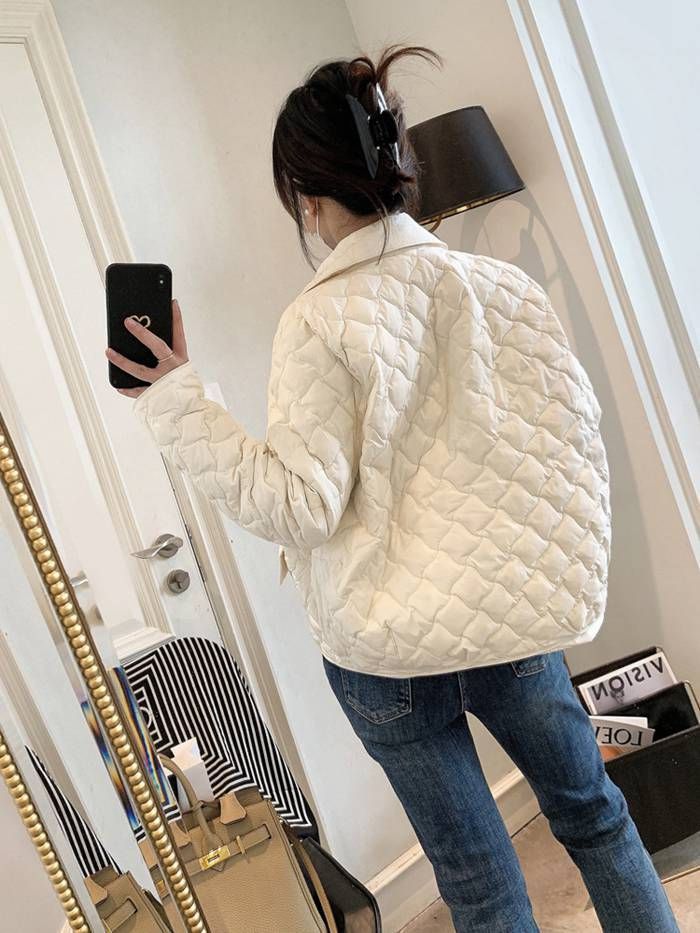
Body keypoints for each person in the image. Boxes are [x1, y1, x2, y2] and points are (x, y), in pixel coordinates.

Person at [106, 46, 678, 933]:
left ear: (305, 195)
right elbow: (562, 438)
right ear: (397, 161)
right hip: (506, 612)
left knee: (479, 879)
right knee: (596, 817)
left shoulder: (318, 320)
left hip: (383, 647)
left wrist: (176, 399)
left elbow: (298, 506)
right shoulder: (500, 286)